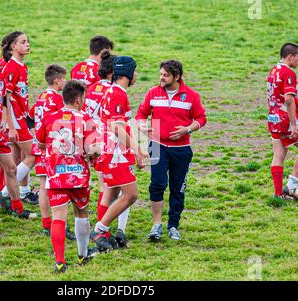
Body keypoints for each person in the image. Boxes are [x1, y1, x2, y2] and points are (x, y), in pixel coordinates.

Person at [135, 60, 207, 242]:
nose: (161, 77)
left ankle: (173, 225)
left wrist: (187, 129)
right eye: (160, 74)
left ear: (177, 77)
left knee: (178, 189)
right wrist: (142, 127)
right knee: (157, 184)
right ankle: (156, 224)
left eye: (165, 75)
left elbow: (201, 118)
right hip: (157, 146)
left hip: (181, 150)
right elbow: (141, 113)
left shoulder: (191, 96)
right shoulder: (153, 93)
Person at [36, 80, 101, 273]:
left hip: (56, 176)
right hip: (79, 176)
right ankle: (82, 256)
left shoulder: (49, 118)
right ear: (79, 100)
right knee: (81, 214)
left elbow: (40, 144)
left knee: (58, 218)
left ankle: (60, 262)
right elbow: (93, 149)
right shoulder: (87, 119)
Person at [91, 56, 149, 252]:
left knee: (111, 193)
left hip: (112, 151)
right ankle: (100, 230)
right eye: (135, 71)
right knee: (131, 194)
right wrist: (137, 150)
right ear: (129, 73)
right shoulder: (118, 94)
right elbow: (116, 128)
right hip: (115, 154)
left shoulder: (112, 91)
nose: (136, 75)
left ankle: (103, 234)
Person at [83, 51, 131, 248]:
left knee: (108, 188)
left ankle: (105, 231)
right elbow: (116, 124)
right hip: (111, 145)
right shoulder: (114, 91)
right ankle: (111, 230)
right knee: (120, 189)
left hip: (93, 142)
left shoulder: (91, 88)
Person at [0, 31, 37, 218]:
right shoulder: (11, 68)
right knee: (33, 155)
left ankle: (14, 197)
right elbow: (6, 99)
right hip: (15, 121)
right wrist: (11, 126)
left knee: (16, 160)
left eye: (27, 41)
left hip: (20, 118)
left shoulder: (22, 66)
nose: (27, 44)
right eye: (23, 42)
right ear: (13, 47)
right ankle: (4, 195)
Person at [267, 43, 298, 200]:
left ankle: (278, 194)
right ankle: (292, 187)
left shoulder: (273, 70)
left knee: (278, 155)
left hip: (273, 119)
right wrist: (294, 123)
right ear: (290, 56)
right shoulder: (289, 73)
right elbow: (288, 100)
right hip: (286, 119)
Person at [30, 64, 67, 235]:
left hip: (39, 147)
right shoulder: (58, 100)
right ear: (58, 80)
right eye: (64, 79)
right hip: (52, 149)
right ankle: (59, 222)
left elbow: (29, 119)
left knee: (44, 186)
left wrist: (37, 137)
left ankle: (46, 224)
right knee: (59, 187)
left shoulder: (41, 97)